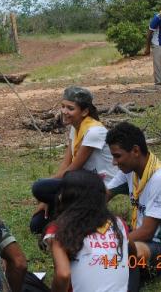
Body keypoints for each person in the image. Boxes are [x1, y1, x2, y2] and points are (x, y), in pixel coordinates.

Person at [30, 86, 118, 234]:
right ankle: (69, 212)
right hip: (79, 182)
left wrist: (49, 189)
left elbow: (73, 168)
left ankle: (83, 213)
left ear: (84, 111)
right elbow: (66, 163)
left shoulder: (94, 131)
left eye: (70, 108)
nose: (64, 111)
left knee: (39, 187)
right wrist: (48, 196)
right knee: (36, 225)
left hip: (98, 186)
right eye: (63, 106)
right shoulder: (75, 127)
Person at [106, 122, 161, 276]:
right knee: (105, 229)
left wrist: (107, 246)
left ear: (135, 151)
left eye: (117, 156)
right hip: (139, 234)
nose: (114, 162)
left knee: (131, 253)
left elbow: (147, 233)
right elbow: (102, 196)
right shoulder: (129, 170)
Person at [43, 170, 133, 292]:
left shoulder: (59, 228)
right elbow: (130, 251)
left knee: (28, 281)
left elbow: (63, 275)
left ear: (66, 197)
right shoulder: (119, 224)